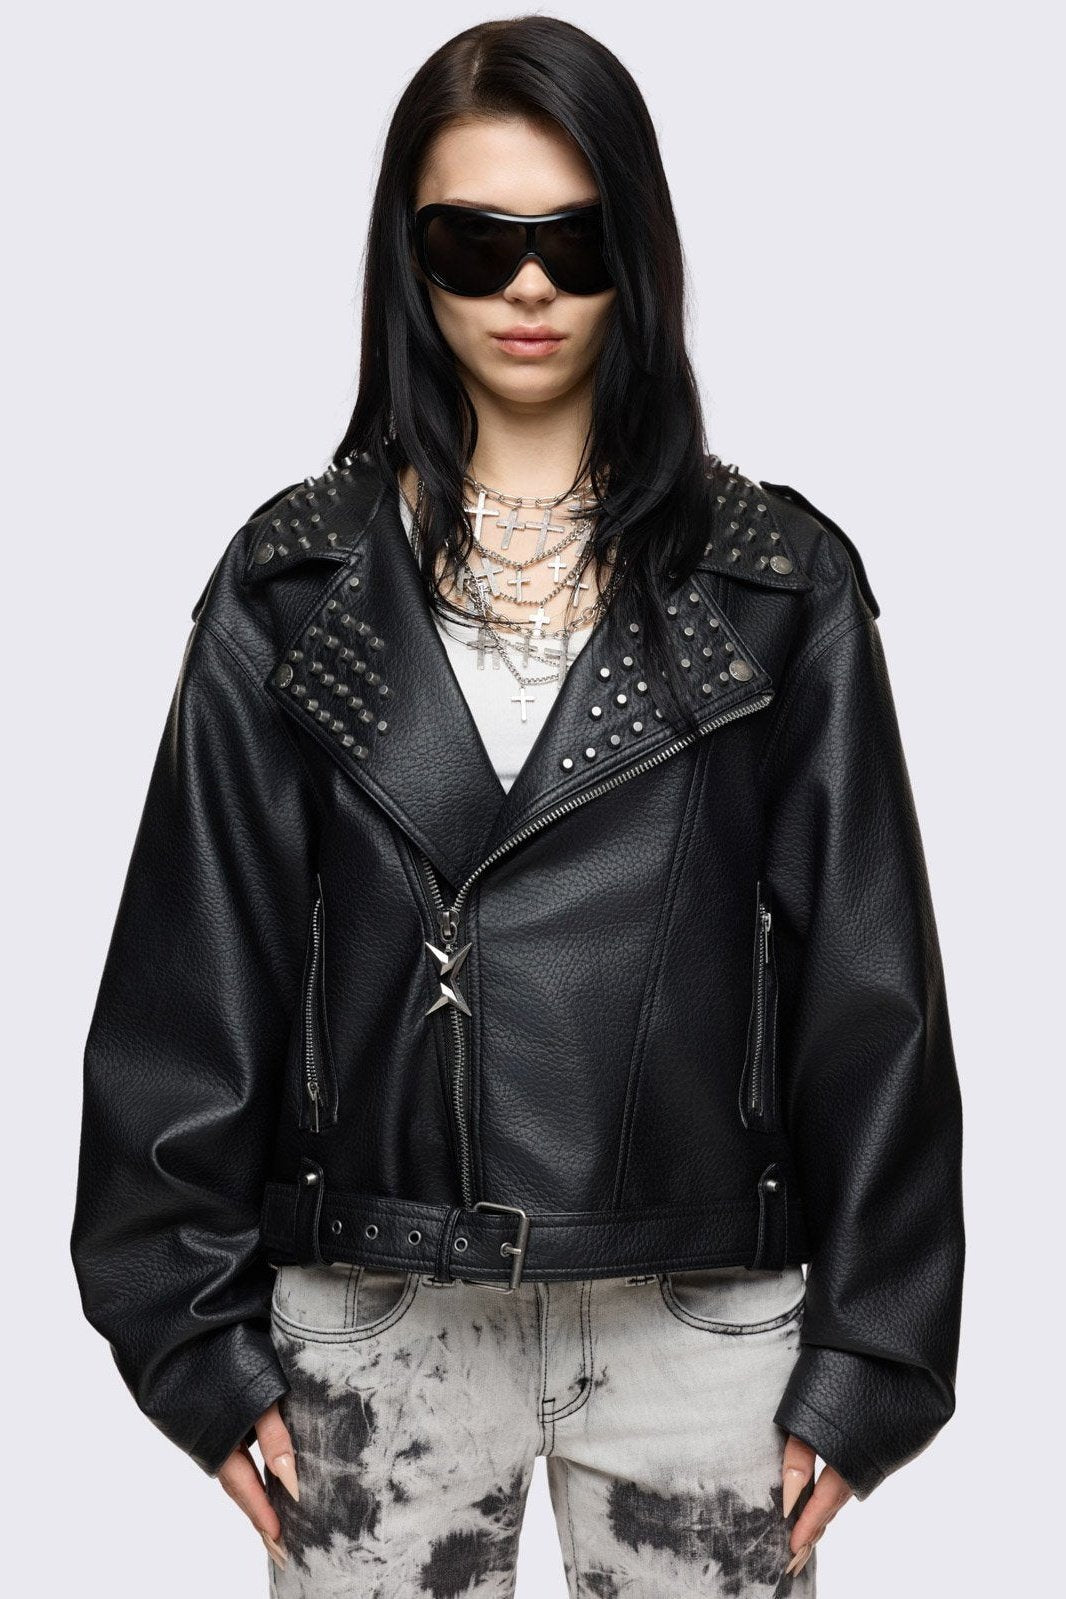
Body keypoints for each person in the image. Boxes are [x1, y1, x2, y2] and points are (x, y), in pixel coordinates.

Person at [69, 15, 965, 1597]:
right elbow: (192, 966)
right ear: (406, 259)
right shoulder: (291, 585)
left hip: (701, 1317)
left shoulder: (775, 584)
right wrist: (184, 1334)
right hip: (374, 1312)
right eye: (475, 243)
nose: (530, 285)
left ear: (641, 252)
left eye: (576, 238)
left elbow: (868, 985)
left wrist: (875, 1354)